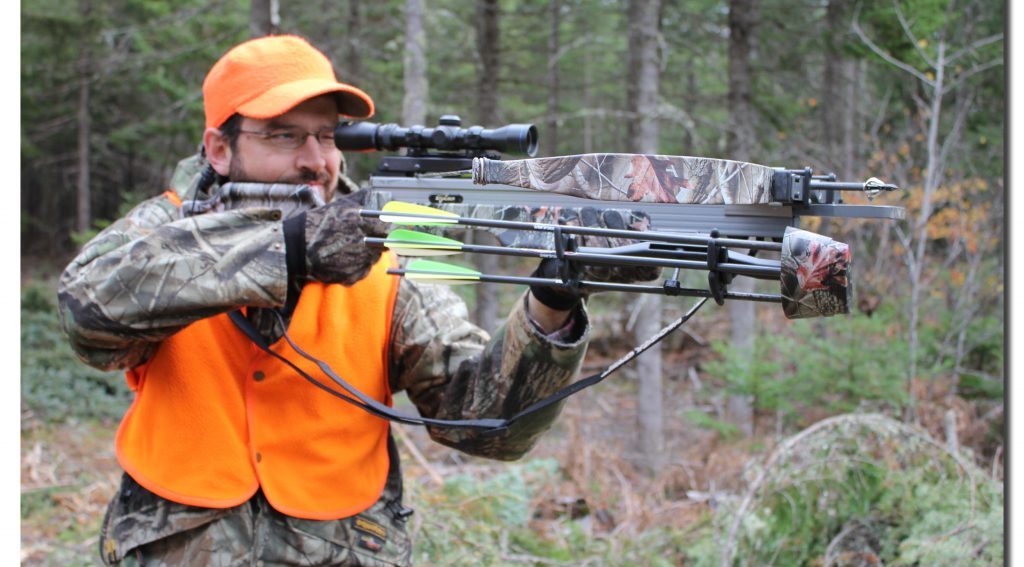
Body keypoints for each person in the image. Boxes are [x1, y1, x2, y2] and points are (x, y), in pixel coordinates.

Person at [58, 34, 654, 565]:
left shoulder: (384, 245)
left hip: (342, 547)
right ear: (218, 149)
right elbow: (87, 313)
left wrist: (551, 301)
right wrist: (293, 250)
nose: (314, 160)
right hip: (179, 545)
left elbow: (484, 424)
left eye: (328, 136)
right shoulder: (165, 229)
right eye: (284, 135)